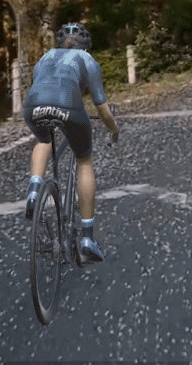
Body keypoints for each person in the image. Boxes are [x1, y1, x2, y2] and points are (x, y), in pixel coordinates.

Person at [21, 22, 119, 262]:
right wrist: (114, 129)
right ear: (85, 46)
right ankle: (87, 237)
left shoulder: (44, 58)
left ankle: (34, 190)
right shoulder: (87, 60)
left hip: (32, 107)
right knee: (84, 160)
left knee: (44, 140)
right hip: (69, 108)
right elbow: (102, 109)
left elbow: (43, 90)